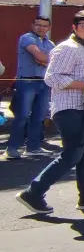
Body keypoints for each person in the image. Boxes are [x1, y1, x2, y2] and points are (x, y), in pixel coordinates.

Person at [16, 9, 84, 214]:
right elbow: (51, 78)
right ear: (74, 27)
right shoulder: (67, 48)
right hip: (69, 109)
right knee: (72, 154)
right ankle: (33, 193)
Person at [5, 16, 54, 159]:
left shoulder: (50, 43)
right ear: (32, 25)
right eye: (38, 25)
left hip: (44, 82)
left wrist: (44, 59)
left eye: (45, 26)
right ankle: (12, 148)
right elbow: (40, 57)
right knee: (22, 116)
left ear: (49, 28)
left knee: (39, 117)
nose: (41, 28)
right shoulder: (27, 38)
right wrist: (44, 59)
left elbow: (53, 61)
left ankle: (33, 147)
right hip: (27, 82)